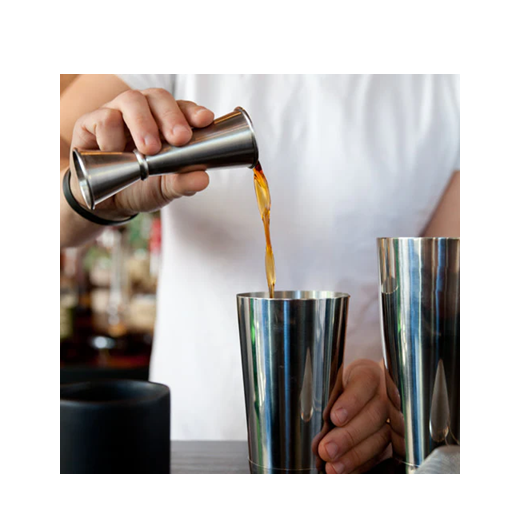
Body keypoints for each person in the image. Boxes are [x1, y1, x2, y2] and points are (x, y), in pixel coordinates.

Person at [60, 74, 460, 473]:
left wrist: (392, 389)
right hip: (188, 454)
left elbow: (439, 301)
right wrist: (87, 194)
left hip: (357, 461)